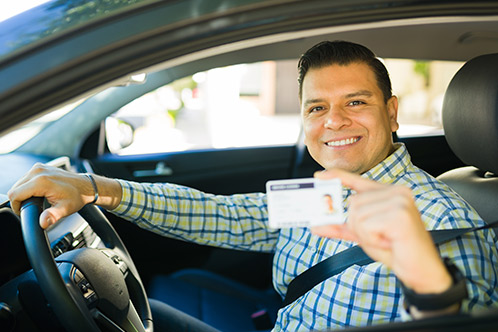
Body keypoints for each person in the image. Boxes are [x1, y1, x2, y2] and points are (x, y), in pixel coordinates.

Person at [8, 41, 498, 331]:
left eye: (356, 103)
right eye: (316, 107)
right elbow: (225, 216)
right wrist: (97, 189)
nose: (335, 122)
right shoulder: (327, 191)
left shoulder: (443, 218)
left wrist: (434, 288)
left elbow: (472, 316)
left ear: (391, 114)